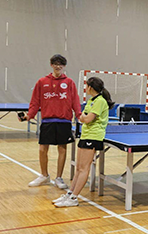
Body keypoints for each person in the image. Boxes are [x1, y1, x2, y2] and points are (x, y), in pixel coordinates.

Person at [22, 54, 81, 190]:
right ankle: (44, 175)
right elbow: (35, 101)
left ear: (64, 66)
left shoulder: (70, 83)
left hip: (64, 121)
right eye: (55, 64)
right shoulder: (42, 82)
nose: (58, 66)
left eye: (60, 64)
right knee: (43, 149)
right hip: (48, 120)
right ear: (51, 65)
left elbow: (75, 101)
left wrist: (79, 115)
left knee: (62, 149)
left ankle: (59, 177)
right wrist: (29, 116)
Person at [53, 77, 114, 207]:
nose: (86, 88)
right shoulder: (91, 101)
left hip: (93, 136)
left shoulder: (100, 101)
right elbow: (82, 117)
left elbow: (87, 118)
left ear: (90, 87)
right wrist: (83, 117)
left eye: (87, 86)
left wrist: (83, 118)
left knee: (84, 168)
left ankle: (74, 198)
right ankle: (69, 194)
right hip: (85, 135)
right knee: (79, 168)